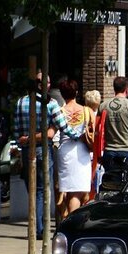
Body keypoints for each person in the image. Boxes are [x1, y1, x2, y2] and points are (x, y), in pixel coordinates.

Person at [14, 72, 81, 240]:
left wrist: (26, 139)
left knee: (32, 191)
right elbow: (64, 127)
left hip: (26, 151)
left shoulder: (20, 102)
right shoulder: (50, 104)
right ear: (46, 85)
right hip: (42, 150)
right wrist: (79, 136)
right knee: (42, 191)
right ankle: (39, 230)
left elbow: (16, 133)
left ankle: (36, 227)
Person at [55, 79, 93, 221]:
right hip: (81, 153)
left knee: (67, 191)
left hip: (64, 152)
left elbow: (53, 132)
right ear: (77, 93)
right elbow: (94, 132)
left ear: (62, 94)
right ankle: (73, 223)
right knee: (78, 193)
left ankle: (66, 218)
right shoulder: (86, 111)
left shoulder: (59, 111)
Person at [98, 76, 128, 171]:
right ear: (127, 90)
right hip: (127, 152)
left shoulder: (103, 106)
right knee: (126, 182)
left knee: (110, 182)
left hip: (109, 151)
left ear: (114, 89)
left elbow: (98, 130)